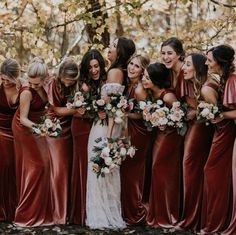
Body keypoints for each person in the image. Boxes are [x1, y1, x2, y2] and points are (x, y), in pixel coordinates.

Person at [86, 37, 135, 229]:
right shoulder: (118, 71)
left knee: (99, 168)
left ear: (120, 52)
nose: (109, 48)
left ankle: (102, 216)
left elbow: (112, 106)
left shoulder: (115, 72)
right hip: (110, 125)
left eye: (113, 46)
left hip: (105, 126)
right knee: (107, 170)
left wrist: (108, 136)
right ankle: (106, 212)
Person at [176, 53, 216, 232]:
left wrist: (197, 113)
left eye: (187, 64)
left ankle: (193, 218)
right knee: (190, 168)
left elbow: (216, 113)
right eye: (184, 64)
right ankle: (192, 216)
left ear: (198, 68)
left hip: (205, 129)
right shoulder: (191, 85)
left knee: (190, 164)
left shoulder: (208, 86)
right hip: (197, 127)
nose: (183, 68)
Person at [12, 57, 53, 227]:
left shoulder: (48, 85)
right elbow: (23, 119)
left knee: (47, 164)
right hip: (24, 128)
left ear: (45, 79)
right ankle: (25, 214)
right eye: (31, 82)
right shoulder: (27, 91)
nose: (34, 86)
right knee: (37, 167)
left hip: (38, 126)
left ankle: (41, 211)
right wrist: (40, 128)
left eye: (37, 84)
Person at [201, 45, 236, 234]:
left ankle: (217, 223)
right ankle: (217, 221)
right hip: (225, 133)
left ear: (220, 63)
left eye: (209, 60)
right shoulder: (225, 79)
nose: (206, 63)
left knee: (212, 172)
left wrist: (221, 116)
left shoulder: (232, 80)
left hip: (228, 134)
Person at [144, 63, 183, 229]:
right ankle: (157, 214)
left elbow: (179, 117)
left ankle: (167, 215)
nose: (144, 80)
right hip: (159, 136)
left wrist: (164, 122)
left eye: (147, 77)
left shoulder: (167, 96)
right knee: (156, 172)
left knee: (160, 171)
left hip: (169, 137)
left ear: (156, 79)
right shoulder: (152, 94)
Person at [70, 49, 106, 225]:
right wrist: (88, 112)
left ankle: (94, 207)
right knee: (83, 165)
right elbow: (76, 112)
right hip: (82, 127)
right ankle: (80, 212)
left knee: (93, 166)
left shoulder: (105, 81)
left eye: (96, 66)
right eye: (90, 67)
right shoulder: (84, 85)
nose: (94, 70)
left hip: (97, 128)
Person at [46, 58, 79, 224]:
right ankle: (59, 213)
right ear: (60, 75)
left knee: (70, 168)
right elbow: (57, 109)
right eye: (66, 80)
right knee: (60, 169)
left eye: (71, 81)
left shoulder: (77, 85)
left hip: (71, 128)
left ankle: (70, 211)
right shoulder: (53, 83)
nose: (68, 84)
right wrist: (77, 110)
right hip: (55, 128)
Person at [120, 54, 151, 225]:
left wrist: (127, 113)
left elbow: (145, 115)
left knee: (132, 172)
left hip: (138, 133)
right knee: (126, 171)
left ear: (143, 71)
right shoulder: (127, 84)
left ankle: (136, 213)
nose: (132, 68)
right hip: (128, 129)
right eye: (131, 63)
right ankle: (127, 211)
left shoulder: (140, 89)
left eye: (137, 66)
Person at [0, 59, 21, 222]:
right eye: (2, 78)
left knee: (16, 168)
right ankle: (3, 210)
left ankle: (15, 208)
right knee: (5, 164)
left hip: (18, 133)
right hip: (0, 131)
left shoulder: (23, 88)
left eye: (8, 79)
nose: (5, 82)